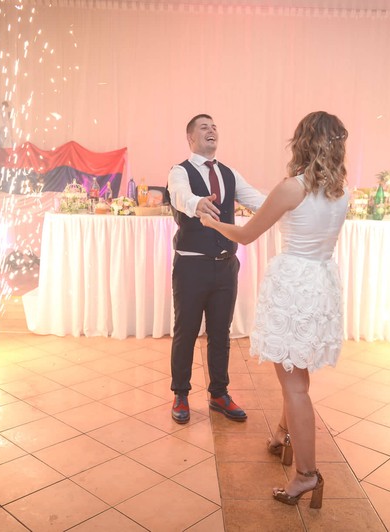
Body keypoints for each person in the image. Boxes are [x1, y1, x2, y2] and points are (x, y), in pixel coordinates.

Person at [200, 111, 350, 509]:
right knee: (295, 368)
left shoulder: (291, 188)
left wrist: (212, 224)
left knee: (294, 383)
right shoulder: (342, 192)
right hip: (321, 283)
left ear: (302, 142)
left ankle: (306, 474)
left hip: (294, 286)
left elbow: (246, 235)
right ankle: (283, 434)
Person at [166, 114, 265, 425]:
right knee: (186, 331)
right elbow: (180, 196)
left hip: (225, 267)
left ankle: (219, 393)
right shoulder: (179, 172)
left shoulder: (229, 173)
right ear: (190, 138)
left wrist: (290, 203)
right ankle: (181, 393)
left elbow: (259, 201)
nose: (211, 131)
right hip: (191, 265)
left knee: (221, 333)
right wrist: (196, 204)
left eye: (214, 127)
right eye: (203, 127)